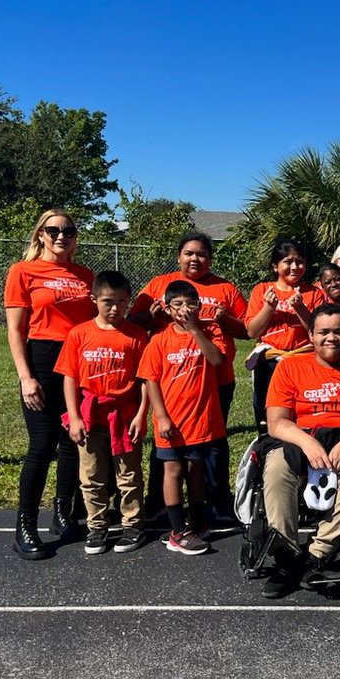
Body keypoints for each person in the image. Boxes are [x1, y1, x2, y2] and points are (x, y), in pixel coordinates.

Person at [258, 304, 340, 597]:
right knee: (276, 467)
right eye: (324, 332)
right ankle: (286, 554)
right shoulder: (290, 367)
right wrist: (307, 443)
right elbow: (276, 423)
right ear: (311, 335)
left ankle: (318, 552)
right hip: (302, 437)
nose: (332, 338)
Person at [131, 231, 247, 520]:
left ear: (210, 258)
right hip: (171, 380)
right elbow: (131, 319)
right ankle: (159, 501)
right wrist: (152, 317)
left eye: (202, 254)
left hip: (215, 380)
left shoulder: (225, 288)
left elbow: (245, 329)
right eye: (189, 253)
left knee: (212, 444)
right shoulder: (160, 284)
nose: (196, 258)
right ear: (179, 256)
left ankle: (216, 499)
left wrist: (224, 319)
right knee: (167, 441)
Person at [5, 208, 96, 559]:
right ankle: (24, 525)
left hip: (77, 362)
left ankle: (63, 512)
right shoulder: (23, 271)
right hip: (41, 358)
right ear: (40, 234)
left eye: (68, 231)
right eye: (53, 230)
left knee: (73, 440)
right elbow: (15, 329)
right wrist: (25, 377)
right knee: (42, 445)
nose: (61, 236)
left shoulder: (84, 275)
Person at [56, 271, 151, 555]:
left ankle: (133, 524)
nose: (114, 308)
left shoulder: (136, 336)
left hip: (124, 414)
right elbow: (70, 377)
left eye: (121, 302)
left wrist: (141, 414)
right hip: (90, 415)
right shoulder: (79, 334)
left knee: (129, 473)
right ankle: (96, 526)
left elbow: (145, 379)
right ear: (94, 299)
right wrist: (74, 416)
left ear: (129, 302)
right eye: (108, 301)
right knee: (91, 474)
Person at [138, 280, 227, 556]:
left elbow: (217, 361)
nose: (184, 309)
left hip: (201, 421)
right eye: (177, 304)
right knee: (173, 471)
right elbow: (150, 381)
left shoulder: (209, 332)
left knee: (195, 471)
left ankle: (197, 522)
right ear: (166, 308)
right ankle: (177, 531)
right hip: (172, 423)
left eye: (190, 304)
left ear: (199, 307)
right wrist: (161, 417)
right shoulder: (159, 340)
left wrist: (194, 330)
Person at [245, 238, 326, 427]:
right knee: (268, 410)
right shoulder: (262, 290)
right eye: (288, 262)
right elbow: (252, 331)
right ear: (275, 266)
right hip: (271, 362)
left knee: (301, 410)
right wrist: (268, 307)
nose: (295, 267)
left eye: (300, 262)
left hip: (303, 360)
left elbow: (318, 331)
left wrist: (300, 309)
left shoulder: (313, 293)